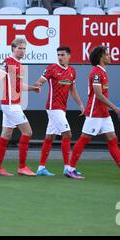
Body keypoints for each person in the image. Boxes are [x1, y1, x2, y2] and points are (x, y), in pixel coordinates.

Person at [65, 46, 120, 180]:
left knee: (112, 139)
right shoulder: (96, 72)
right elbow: (98, 95)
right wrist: (115, 108)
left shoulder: (103, 72)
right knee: (85, 139)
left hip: (104, 113)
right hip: (95, 111)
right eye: (107, 55)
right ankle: (70, 169)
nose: (110, 57)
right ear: (101, 57)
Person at [0, 38, 41, 177]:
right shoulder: (8, 62)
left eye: (24, 48)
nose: (22, 51)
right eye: (19, 48)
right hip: (11, 105)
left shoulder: (20, 65)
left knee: (6, 134)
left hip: (13, 104)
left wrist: (32, 88)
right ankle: (22, 167)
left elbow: (19, 86)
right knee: (28, 132)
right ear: (13, 48)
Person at [34, 46, 84, 176]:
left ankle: (41, 168)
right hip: (53, 107)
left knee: (50, 137)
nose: (60, 57)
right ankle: (67, 168)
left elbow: (73, 90)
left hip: (62, 108)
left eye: (62, 55)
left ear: (69, 56)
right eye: (58, 55)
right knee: (67, 134)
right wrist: (38, 85)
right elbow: (40, 81)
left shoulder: (72, 71)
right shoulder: (52, 68)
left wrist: (80, 105)